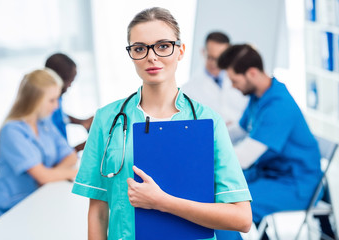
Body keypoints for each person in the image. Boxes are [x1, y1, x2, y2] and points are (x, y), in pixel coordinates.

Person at [72, 7, 252, 240]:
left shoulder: (209, 122)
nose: (152, 56)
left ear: (181, 51)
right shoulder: (107, 120)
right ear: (131, 54)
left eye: (163, 46)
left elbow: (242, 218)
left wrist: (162, 202)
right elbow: (98, 212)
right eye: (139, 48)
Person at [218, 44, 322, 239]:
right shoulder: (259, 97)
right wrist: (207, 137)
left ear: (252, 73)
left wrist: (207, 159)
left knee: (226, 210)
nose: (232, 86)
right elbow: (239, 130)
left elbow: (243, 158)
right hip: (268, 173)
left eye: (234, 80)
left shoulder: (279, 105)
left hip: (295, 184)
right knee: (214, 192)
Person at [0, 69, 78, 229]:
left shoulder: (44, 124)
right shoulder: (12, 131)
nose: (56, 106)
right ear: (35, 101)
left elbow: (71, 156)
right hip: (4, 211)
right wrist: (70, 173)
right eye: (52, 100)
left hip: (34, 202)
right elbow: (42, 176)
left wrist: (51, 175)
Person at [181, 31, 248, 126]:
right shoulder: (188, 90)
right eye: (211, 58)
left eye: (220, 58)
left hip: (241, 138)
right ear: (203, 52)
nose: (215, 64)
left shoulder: (242, 79)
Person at [45, 53, 93, 152]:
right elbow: (55, 160)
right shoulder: (44, 111)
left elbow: (61, 117)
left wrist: (81, 122)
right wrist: (88, 144)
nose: (70, 86)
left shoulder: (56, 99)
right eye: (69, 81)